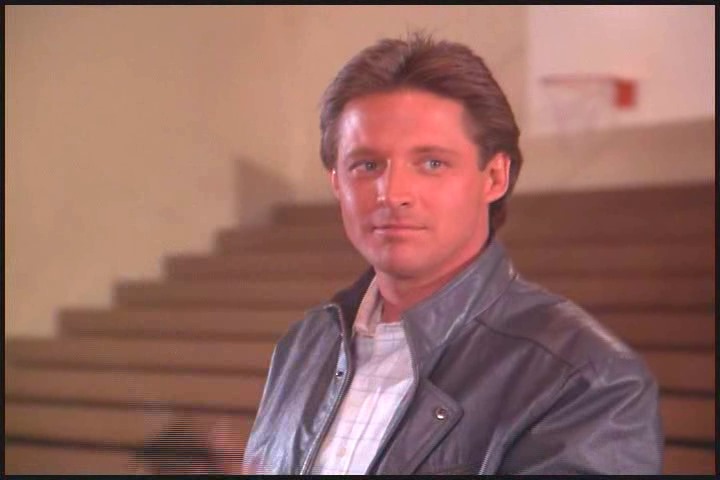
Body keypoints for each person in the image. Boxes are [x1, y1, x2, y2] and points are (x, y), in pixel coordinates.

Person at [242, 32, 663, 475]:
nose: (393, 193)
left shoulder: (590, 380)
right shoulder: (304, 344)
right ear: (337, 183)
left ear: (494, 177)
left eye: (432, 163)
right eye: (367, 165)